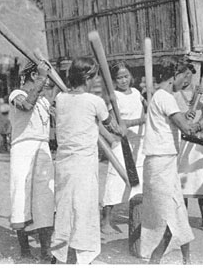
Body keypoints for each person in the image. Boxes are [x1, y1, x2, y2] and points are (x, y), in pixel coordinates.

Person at [140, 56, 203, 264]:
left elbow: (184, 130)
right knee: (167, 216)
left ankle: (186, 260)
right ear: (177, 76)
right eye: (184, 78)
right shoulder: (164, 97)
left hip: (165, 162)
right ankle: (155, 259)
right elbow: (187, 128)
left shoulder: (163, 97)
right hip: (159, 164)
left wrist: (202, 125)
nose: (184, 83)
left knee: (178, 213)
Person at [50, 57, 123, 264]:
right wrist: (120, 129)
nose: (96, 80)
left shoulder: (61, 98)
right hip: (82, 165)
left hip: (64, 163)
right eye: (95, 76)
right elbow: (111, 126)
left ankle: (60, 255)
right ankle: (83, 258)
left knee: (65, 208)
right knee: (85, 209)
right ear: (88, 77)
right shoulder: (95, 102)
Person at [8, 60, 57, 261]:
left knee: (45, 198)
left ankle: (46, 251)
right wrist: (41, 77)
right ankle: (25, 249)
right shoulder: (16, 94)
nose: (46, 82)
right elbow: (27, 105)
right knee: (21, 196)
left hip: (42, 148)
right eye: (42, 77)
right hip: (23, 148)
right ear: (32, 76)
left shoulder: (44, 101)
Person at [101, 61, 147, 234]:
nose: (123, 81)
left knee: (140, 182)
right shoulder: (114, 97)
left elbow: (149, 110)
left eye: (126, 76)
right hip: (122, 143)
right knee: (115, 182)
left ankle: (137, 217)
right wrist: (138, 121)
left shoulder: (137, 93)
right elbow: (113, 123)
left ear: (131, 77)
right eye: (119, 78)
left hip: (139, 143)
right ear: (114, 80)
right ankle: (106, 220)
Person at [174, 60, 203, 234]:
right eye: (182, 75)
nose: (185, 78)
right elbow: (172, 118)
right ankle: (183, 219)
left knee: (201, 182)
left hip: (198, 142)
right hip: (181, 141)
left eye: (188, 74)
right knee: (182, 182)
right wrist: (184, 115)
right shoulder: (174, 95)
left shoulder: (200, 94)